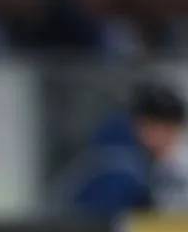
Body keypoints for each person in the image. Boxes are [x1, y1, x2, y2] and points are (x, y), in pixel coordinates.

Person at [60, 80, 187, 218]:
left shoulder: (180, 166)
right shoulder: (137, 161)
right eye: (142, 125)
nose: (147, 133)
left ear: (173, 126)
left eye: (154, 126)